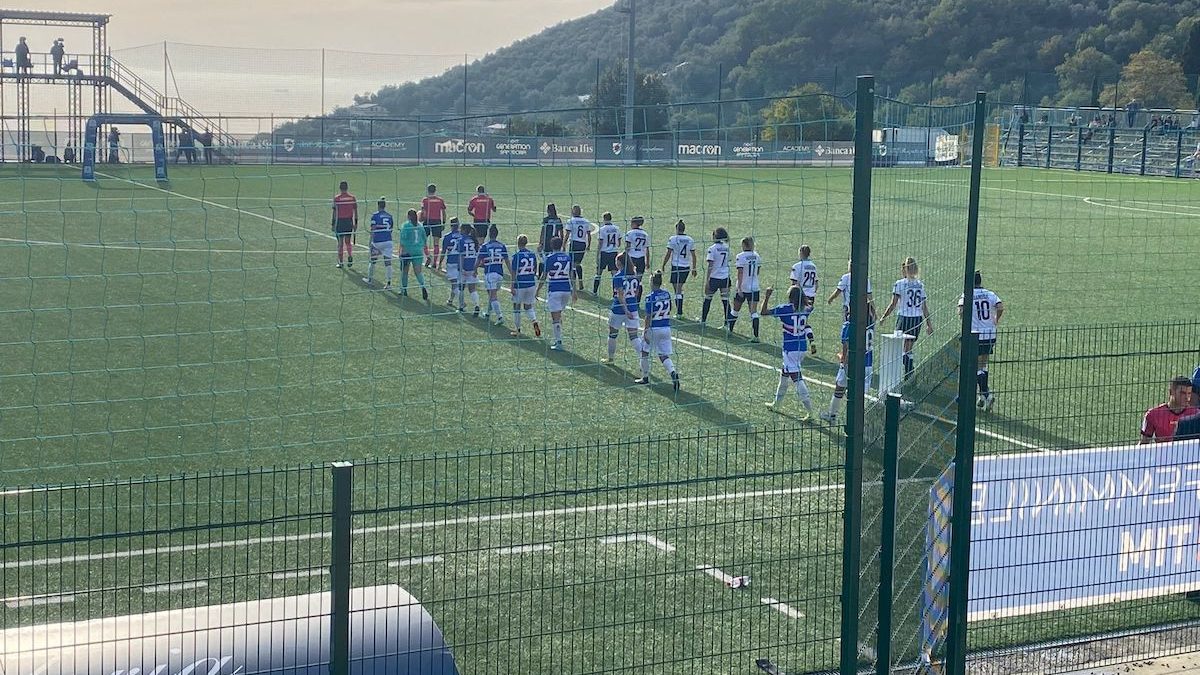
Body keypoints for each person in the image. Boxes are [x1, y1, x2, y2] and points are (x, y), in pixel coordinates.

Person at [820, 261, 875, 424]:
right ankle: (862, 423)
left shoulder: (849, 326)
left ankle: (832, 415)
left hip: (852, 365)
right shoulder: (870, 322)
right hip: (868, 364)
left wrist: (843, 361)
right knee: (861, 398)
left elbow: (847, 350)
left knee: (840, 387)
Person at [763, 286, 815, 418]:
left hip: (790, 349)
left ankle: (810, 411)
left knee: (797, 379)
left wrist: (767, 296)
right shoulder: (806, 309)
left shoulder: (785, 309)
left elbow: (763, 312)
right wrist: (812, 342)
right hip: (801, 348)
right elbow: (807, 319)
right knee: (784, 375)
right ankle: (776, 404)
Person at [879, 257, 933, 381]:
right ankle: (909, 374)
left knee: (898, 348)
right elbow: (924, 307)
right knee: (908, 348)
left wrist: (884, 317)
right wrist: (928, 324)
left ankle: (906, 372)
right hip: (917, 319)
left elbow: (893, 304)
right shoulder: (920, 284)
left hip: (904, 318)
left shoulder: (900, 284)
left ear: (904, 269)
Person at [957, 270, 1003, 411]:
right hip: (989, 334)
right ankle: (982, 398)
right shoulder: (989, 294)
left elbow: (960, 311)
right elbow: (1000, 306)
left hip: (975, 336)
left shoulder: (967, 295)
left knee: (975, 367)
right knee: (983, 365)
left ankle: (986, 395)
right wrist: (995, 320)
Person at [638, 270, 680, 391]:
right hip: (666, 327)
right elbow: (670, 307)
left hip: (654, 328)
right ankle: (673, 373)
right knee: (663, 355)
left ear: (651, 282)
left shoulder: (649, 297)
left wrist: (645, 330)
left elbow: (648, 316)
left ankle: (645, 377)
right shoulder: (667, 294)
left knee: (644, 351)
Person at [536, 236, 576, 350]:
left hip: (555, 290)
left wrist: (537, 290)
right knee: (559, 314)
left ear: (552, 246)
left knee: (555, 318)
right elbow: (572, 275)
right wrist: (575, 291)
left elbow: (544, 276)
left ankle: (559, 342)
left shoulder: (550, 258)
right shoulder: (568, 257)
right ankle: (559, 336)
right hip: (566, 290)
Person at [602, 253, 642, 365]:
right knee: (634, 337)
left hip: (619, 310)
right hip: (633, 309)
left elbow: (620, 296)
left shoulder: (618, 276)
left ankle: (610, 359)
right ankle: (643, 359)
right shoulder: (635, 276)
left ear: (619, 263)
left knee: (613, 333)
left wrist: (625, 310)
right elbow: (637, 292)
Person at [1140, 376, 1197, 443]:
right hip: (1162, 453)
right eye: (1183, 393)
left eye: (1189, 393)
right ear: (1171, 392)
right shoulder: (1153, 414)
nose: (1187, 397)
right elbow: (1144, 443)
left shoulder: (1196, 413)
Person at [728, 237, 764, 341]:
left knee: (735, 310)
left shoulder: (740, 256)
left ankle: (729, 330)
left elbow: (740, 272)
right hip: (754, 287)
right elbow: (757, 271)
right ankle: (756, 336)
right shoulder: (757, 256)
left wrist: (739, 287)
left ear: (744, 245)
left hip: (743, 287)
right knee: (753, 312)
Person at [660, 219, 697, 318]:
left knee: (677, 289)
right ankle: (679, 311)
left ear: (677, 228)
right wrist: (694, 268)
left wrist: (663, 264)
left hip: (676, 266)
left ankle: (679, 312)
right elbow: (693, 255)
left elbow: (668, 253)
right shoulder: (690, 239)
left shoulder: (673, 239)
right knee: (679, 289)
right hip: (686, 267)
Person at [699, 227, 732, 326]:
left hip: (714, 277)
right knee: (725, 301)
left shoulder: (712, 249)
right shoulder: (727, 247)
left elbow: (710, 265)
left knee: (708, 299)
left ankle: (703, 321)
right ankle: (727, 324)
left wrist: (707, 280)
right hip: (725, 278)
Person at [509, 235, 541, 338]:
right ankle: (534, 320)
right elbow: (535, 269)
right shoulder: (532, 254)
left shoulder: (516, 256)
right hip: (531, 284)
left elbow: (513, 272)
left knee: (516, 307)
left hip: (520, 285)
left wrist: (512, 286)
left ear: (518, 243)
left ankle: (517, 329)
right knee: (528, 307)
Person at [479, 225, 510, 325]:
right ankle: (488, 313)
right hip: (500, 274)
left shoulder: (485, 246)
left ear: (489, 234)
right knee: (491, 294)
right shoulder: (502, 246)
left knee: (493, 296)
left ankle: (500, 316)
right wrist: (512, 274)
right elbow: (507, 261)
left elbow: (478, 260)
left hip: (490, 273)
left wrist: (474, 269)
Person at [362, 197, 395, 289]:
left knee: (373, 261)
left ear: (378, 205)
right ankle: (388, 283)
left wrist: (370, 241)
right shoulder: (390, 216)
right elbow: (391, 229)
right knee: (388, 263)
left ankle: (370, 279)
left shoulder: (375, 215)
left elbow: (373, 229)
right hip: (388, 241)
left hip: (377, 242)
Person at [397, 209, 429, 301]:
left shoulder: (406, 226)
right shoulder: (420, 226)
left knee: (404, 271)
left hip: (408, 251)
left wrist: (400, 252)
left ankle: (404, 290)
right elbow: (424, 239)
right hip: (418, 251)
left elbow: (402, 240)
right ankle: (423, 286)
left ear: (408, 216)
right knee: (418, 272)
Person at [563, 204, 592, 293]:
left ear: (573, 211)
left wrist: (563, 244)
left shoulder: (571, 221)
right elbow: (589, 234)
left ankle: (573, 285)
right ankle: (581, 282)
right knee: (578, 264)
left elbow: (567, 234)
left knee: (571, 265)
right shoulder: (586, 221)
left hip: (574, 243)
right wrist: (588, 245)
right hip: (582, 244)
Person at [593, 212, 622, 295]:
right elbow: (619, 243)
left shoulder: (602, 229)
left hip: (604, 253)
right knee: (614, 274)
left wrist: (598, 254)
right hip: (614, 253)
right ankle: (615, 293)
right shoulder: (617, 228)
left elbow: (600, 243)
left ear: (604, 219)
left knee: (599, 272)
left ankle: (594, 291)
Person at [330, 181, 358, 268]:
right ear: (347, 188)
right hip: (349, 221)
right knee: (348, 242)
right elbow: (355, 211)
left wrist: (333, 224)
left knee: (340, 243)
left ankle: (341, 262)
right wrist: (355, 223)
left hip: (340, 222)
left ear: (340, 188)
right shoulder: (352, 198)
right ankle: (349, 255)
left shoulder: (337, 198)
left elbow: (334, 212)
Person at [455, 224, 481, 314]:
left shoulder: (461, 240)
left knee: (461, 287)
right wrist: (476, 269)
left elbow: (462, 256)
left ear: (463, 230)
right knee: (472, 289)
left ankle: (461, 306)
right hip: (473, 267)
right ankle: (477, 305)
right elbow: (477, 255)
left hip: (465, 267)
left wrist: (461, 268)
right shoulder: (474, 240)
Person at [421, 184, 447, 269]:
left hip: (428, 221)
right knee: (436, 243)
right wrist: (443, 222)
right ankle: (435, 262)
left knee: (423, 241)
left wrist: (421, 219)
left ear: (428, 190)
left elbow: (423, 213)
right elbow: (443, 212)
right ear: (435, 190)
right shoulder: (440, 200)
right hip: (437, 221)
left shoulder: (425, 200)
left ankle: (428, 257)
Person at [441, 219, 463, 306]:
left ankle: (461, 301)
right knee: (456, 283)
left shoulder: (447, 237)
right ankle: (450, 300)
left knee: (454, 283)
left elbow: (443, 251)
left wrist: (439, 263)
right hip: (461, 262)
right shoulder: (462, 236)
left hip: (451, 262)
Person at [537, 203, 563, 275]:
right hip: (556, 242)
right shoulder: (558, 220)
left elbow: (543, 231)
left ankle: (540, 274)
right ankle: (554, 271)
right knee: (554, 257)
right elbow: (561, 232)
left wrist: (540, 242)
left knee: (542, 258)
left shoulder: (546, 220)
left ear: (548, 210)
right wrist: (562, 243)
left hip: (547, 242)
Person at [623, 215, 650, 282]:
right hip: (641, 258)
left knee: (629, 279)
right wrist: (647, 262)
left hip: (631, 258)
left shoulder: (630, 233)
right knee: (638, 280)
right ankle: (638, 292)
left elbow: (628, 247)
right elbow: (647, 250)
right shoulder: (645, 234)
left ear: (634, 223)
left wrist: (624, 255)